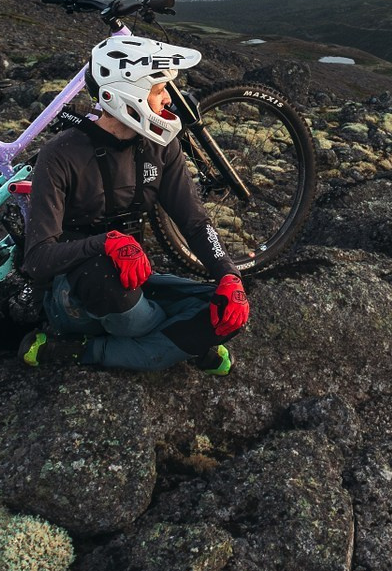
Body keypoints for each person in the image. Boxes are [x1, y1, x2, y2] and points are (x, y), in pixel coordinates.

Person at [14, 29, 251, 373]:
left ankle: (152, 343)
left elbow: (195, 223)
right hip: (76, 294)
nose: (168, 99)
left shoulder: (161, 146)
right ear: (127, 95)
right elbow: (37, 259)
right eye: (158, 90)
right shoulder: (61, 154)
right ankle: (116, 349)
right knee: (121, 299)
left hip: (135, 282)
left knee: (228, 310)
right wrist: (105, 243)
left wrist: (229, 276)